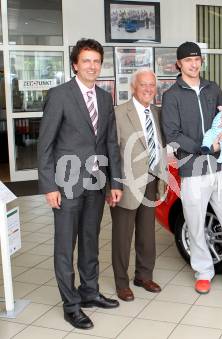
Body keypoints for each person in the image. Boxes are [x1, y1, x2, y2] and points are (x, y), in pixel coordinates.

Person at [37, 38, 123, 329]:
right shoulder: (60, 95)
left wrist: (115, 181)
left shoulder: (104, 97)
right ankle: (71, 305)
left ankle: (89, 292)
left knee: (90, 242)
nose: (92, 66)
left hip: (97, 184)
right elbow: (45, 145)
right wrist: (49, 186)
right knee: (65, 246)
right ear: (75, 64)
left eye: (96, 61)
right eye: (86, 60)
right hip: (66, 183)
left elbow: (110, 142)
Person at [161, 41, 222, 296]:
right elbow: (172, 135)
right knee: (195, 223)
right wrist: (205, 148)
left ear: (201, 61)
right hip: (193, 170)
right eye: (188, 60)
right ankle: (204, 272)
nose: (193, 63)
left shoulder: (213, 89)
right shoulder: (171, 96)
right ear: (179, 64)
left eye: (197, 59)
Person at [108, 68, 165, 301]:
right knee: (122, 236)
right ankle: (122, 283)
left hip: (151, 179)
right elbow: (111, 151)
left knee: (147, 234)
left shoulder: (158, 112)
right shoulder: (119, 113)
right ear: (134, 87)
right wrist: (113, 186)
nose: (149, 89)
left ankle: (143, 275)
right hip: (124, 183)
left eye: (152, 85)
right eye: (144, 85)